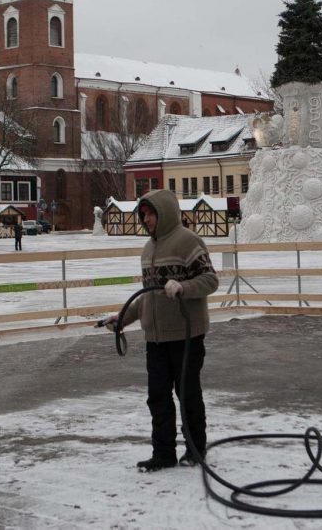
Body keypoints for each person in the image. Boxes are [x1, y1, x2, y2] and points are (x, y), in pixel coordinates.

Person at [102, 189, 219, 472]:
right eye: (142, 215)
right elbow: (149, 297)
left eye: (150, 214)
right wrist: (123, 318)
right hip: (155, 338)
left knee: (187, 393)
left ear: (163, 212)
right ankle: (163, 452)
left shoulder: (187, 241)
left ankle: (195, 449)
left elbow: (210, 280)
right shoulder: (148, 250)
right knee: (158, 397)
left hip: (186, 336)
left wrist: (183, 287)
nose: (146, 220)